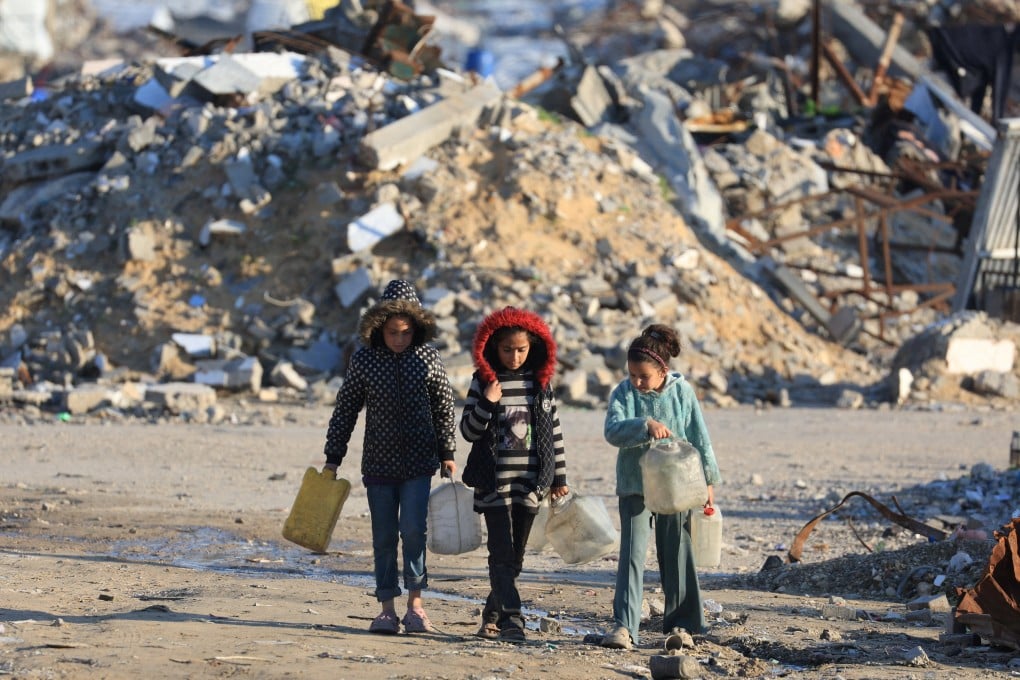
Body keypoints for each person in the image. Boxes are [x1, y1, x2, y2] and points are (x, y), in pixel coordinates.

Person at [322, 279, 457, 635]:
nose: (399, 339)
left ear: (417, 329)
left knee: (413, 530)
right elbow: (346, 408)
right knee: (383, 537)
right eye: (393, 332)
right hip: (378, 464)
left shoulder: (427, 357)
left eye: (406, 333)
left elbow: (444, 406)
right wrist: (333, 456)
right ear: (378, 327)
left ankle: (416, 606)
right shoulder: (365, 359)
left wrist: (448, 452)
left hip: (418, 461)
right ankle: (386, 609)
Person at [600, 324, 722, 650]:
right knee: (631, 557)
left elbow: (699, 437)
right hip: (635, 486)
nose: (637, 382)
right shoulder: (624, 394)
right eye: (633, 375)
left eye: (644, 377)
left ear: (663, 370)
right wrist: (644, 426)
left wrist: (709, 480)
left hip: (676, 487)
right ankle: (624, 627)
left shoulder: (682, 393)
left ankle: (682, 626)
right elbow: (612, 430)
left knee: (677, 555)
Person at [460, 307, 569, 642]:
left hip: (529, 484)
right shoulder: (484, 382)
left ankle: (491, 616)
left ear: (533, 347)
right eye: (507, 350)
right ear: (492, 347)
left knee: (515, 556)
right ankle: (512, 618)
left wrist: (559, 478)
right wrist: (488, 403)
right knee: (501, 553)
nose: (514, 356)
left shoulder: (540, 385)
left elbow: (554, 432)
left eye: (521, 350)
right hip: (493, 484)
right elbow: (468, 431)